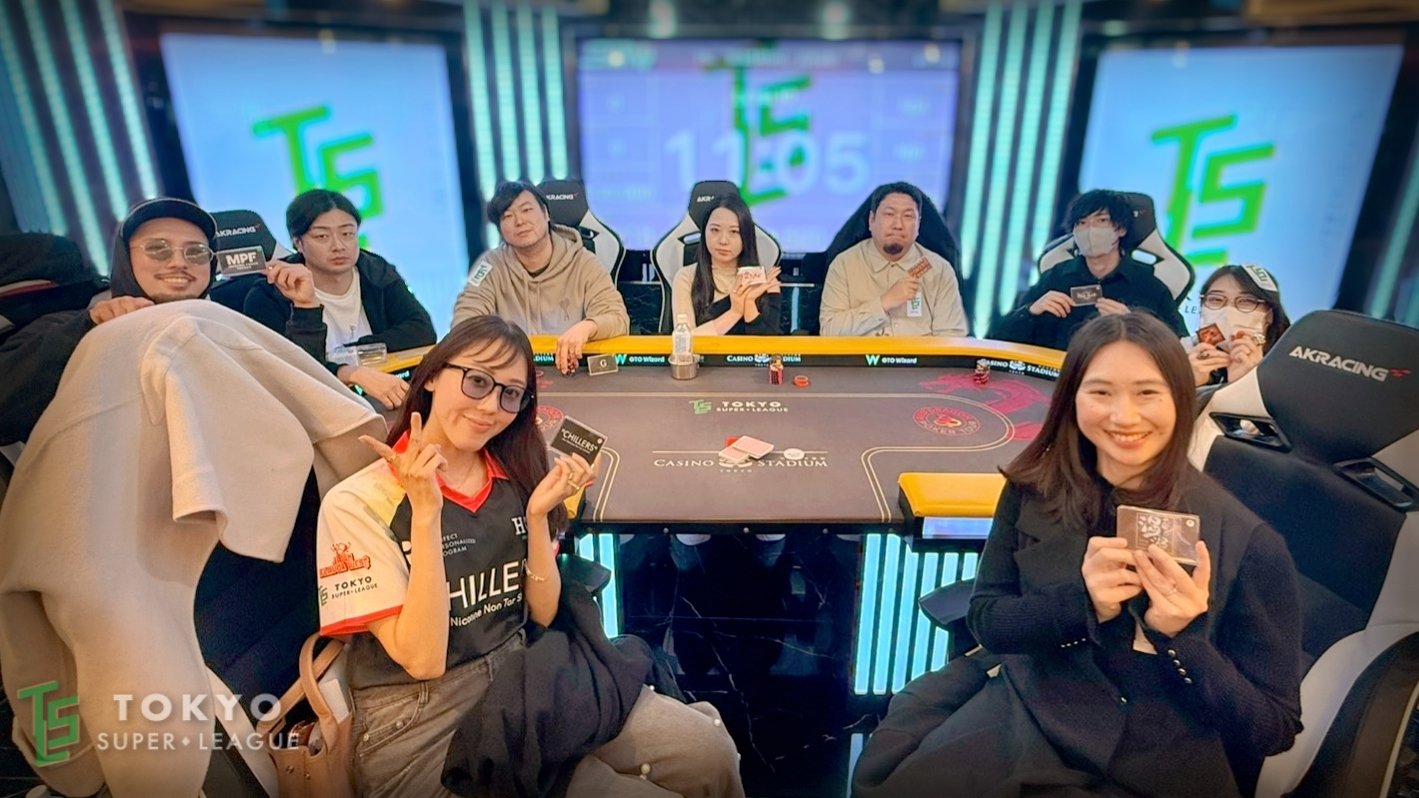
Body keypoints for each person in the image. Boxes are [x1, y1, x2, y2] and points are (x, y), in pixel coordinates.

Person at [316, 315, 743, 798]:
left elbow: (541, 613)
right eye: (477, 381)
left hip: (523, 684)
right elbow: (423, 659)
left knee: (709, 751)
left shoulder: (512, 471)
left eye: (510, 394)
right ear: (431, 375)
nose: (490, 407)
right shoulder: (356, 503)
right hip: (422, 725)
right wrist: (426, 514)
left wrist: (537, 517)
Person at [883, 312, 1301, 797]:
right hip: (1031, 714)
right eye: (1101, 392)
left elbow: (1273, 729)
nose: (1124, 416)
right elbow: (987, 621)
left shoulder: (1251, 543)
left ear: (1180, 399)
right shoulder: (1031, 488)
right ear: (1072, 399)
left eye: (1147, 393)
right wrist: (1082, 604)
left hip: (1154, 761)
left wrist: (1183, 639)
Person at [0, 197, 217, 445]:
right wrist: (89, 329)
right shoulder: (70, 326)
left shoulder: (228, 329)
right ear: (125, 258)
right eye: (157, 248)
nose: (179, 263)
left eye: (196, 252)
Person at [243, 189, 436, 409]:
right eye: (322, 237)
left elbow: (421, 331)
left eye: (347, 234)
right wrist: (348, 372)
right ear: (298, 242)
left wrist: (351, 353)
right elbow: (289, 372)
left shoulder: (376, 271)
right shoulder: (269, 294)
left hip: (379, 400)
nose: (338, 246)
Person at [451, 181, 630, 375]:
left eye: (526, 210)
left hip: (570, 370)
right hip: (511, 371)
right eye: (507, 216)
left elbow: (617, 318)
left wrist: (587, 327)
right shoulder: (488, 266)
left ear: (546, 214)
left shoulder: (585, 262)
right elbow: (464, 321)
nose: (519, 221)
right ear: (500, 229)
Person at [989, 190, 1190, 350]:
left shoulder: (1148, 285)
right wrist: (1031, 311)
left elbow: (1179, 348)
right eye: (1082, 223)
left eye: (1101, 221)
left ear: (1121, 229)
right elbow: (998, 338)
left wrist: (1134, 324)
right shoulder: (1056, 277)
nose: (1090, 230)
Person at [818, 182, 967, 337]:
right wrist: (884, 302)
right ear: (871, 220)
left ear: (918, 225)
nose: (898, 225)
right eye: (889, 214)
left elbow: (951, 338)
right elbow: (829, 331)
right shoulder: (844, 265)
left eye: (908, 216)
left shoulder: (939, 270)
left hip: (919, 353)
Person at [669, 194, 782, 335]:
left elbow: (767, 346)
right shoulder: (686, 277)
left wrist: (749, 304)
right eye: (715, 230)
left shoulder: (766, 282)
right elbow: (684, 339)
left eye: (734, 232)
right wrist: (734, 312)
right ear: (704, 232)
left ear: (746, 235)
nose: (723, 240)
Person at [1186, 264, 1291, 387]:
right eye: (1216, 299)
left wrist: (1248, 383)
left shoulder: (1293, 366)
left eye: (1246, 301)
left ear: (1269, 315)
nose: (1228, 313)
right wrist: (1189, 384)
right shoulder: (1184, 354)